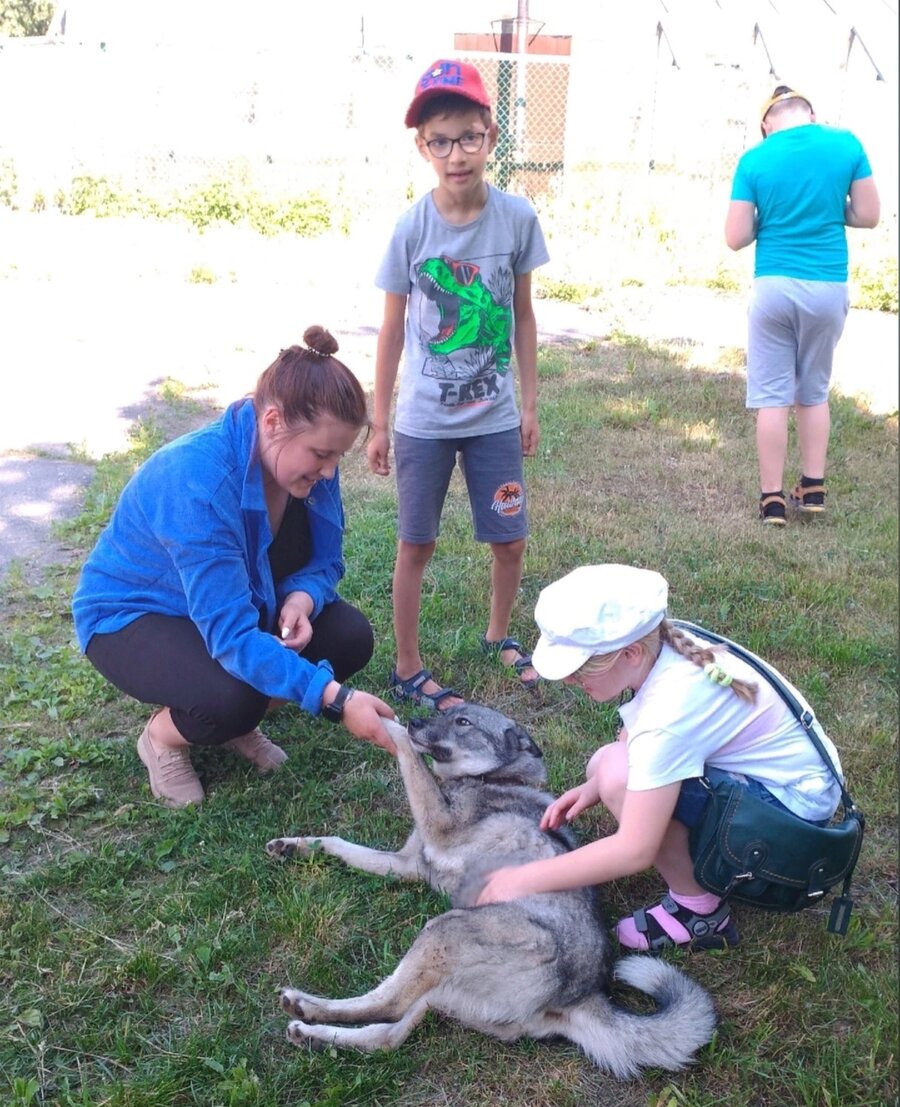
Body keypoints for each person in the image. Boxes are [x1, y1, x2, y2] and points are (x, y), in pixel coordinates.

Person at [72, 326, 397, 809]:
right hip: (132, 616)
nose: (329, 473)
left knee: (349, 635)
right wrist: (336, 699)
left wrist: (301, 597)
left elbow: (326, 562)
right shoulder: (196, 482)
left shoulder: (304, 465)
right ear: (271, 421)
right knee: (231, 696)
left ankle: (233, 725)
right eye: (322, 455)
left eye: (337, 457)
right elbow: (229, 636)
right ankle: (164, 737)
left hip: (233, 602)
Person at [474, 564, 845, 952]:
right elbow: (636, 736)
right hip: (794, 788)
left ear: (630, 653)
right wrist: (593, 784)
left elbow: (634, 850)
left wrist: (521, 879)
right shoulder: (663, 644)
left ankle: (699, 913)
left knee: (618, 773)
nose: (569, 680)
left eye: (580, 669)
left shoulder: (671, 711)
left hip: (791, 827)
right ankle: (696, 876)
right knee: (606, 765)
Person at [368, 58, 550, 709]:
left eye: (468, 137)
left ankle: (499, 635)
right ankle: (408, 665)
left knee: (511, 536)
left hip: (494, 418)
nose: (456, 153)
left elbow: (522, 314)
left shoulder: (517, 220)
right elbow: (390, 331)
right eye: (440, 141)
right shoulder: (412, 229)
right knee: (415, 541)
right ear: (423, 147)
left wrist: (529, 402)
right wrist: (379, 419)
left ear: (490, 136)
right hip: (423, 422)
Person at [725, 85, 880, 526]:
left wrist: (767, 218)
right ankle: (812, 488)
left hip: (774, 286)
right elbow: (869, 214)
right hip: (828, 286)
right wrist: (833, 210)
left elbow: (735, 237)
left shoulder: (756, 159)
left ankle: (772, 500)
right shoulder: (846, 144)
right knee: (813, 392)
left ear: (768, 123)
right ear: (809, 113)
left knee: (772, 395)